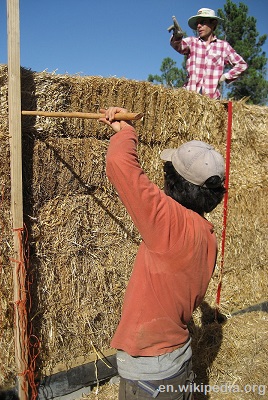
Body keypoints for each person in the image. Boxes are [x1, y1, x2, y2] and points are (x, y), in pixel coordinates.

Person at [99, 107, 226, 399]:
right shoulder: (207, 236)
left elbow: (120, 164)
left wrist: (127, 131)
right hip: (178, 362)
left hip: (150, 375)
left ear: (172, 180)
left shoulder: (168, 222)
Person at [169, 8, 248, 99]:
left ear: (213, 23)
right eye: (197, 23)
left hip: (212, 100)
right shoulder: (192, 42)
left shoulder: (223, 46)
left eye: (202, 22)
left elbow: (241, 65)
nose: (198, 26)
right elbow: (178, 45)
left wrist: (226, 76)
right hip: (189, 98)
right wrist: (177, 36)